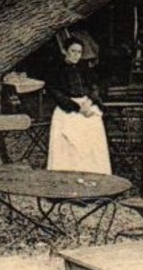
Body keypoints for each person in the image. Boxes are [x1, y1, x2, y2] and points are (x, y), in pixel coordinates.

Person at [43, 32, 111, 175]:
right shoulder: (55, 69)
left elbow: (94, 86)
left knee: (93, 132)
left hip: (86, 105)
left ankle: (92, 175)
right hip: (67, 109)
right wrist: (77, 108)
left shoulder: (84, 67)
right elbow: (56, 93)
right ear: (65, 51)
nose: (76, 55)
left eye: (79, 52)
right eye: (73, 51)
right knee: (69, 144)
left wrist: (90, 101)